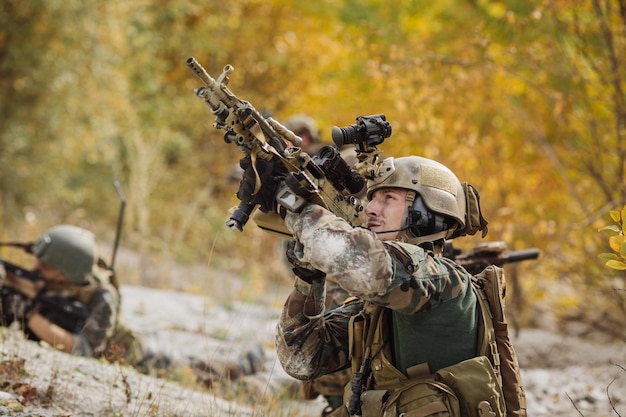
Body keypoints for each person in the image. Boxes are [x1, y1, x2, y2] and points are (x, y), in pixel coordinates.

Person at [263, 155, 517, 416]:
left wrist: (295, 206)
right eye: (372, 198)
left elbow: (367, 266)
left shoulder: (444, 281)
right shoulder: (378, 306)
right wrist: (309, 275)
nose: (370, 208)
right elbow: (301, 358)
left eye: (388, 198)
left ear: (425, 215)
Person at [0, 224, 142, 363]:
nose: (36, 267)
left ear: (65, 275)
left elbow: (85, 350)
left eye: (45, 266)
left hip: (138, 358)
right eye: (38, 260)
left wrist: (28, 314)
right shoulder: (49, 282)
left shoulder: (103, 298)